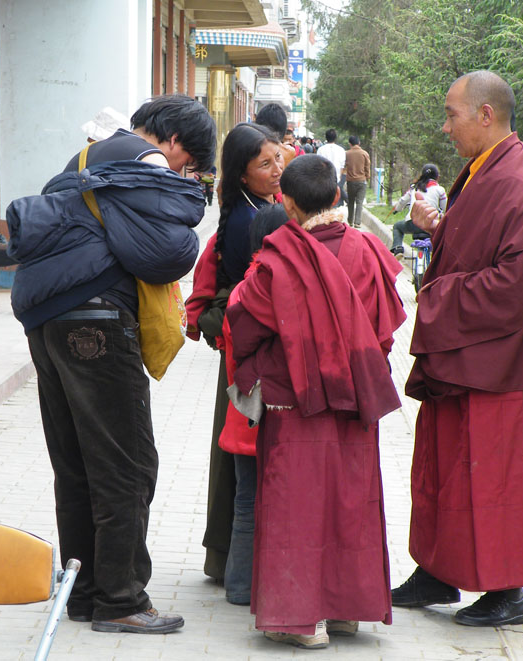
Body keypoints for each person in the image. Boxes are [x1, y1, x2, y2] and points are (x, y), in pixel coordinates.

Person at [6, 94, 216, 634]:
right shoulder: (144, 162)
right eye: (187, 164)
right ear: (172, 142)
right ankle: (121, 599)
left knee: (76, 461)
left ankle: (82, 591)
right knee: (128, 464)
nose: (183, 174)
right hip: (97, 318)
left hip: (47, 319)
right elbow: (170, 248)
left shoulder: (86, 156)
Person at [390, 71, 523, 627]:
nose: (446, 127)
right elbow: (482, 245)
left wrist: (441, 299)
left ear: (486, 115)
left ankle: (507, 591)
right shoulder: (483, 172)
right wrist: (436, 230)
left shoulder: (518, 179)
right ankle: (439, 572)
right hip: (468, 360)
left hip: (504, 367)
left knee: (498, 478)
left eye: (452, 115)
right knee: (444, 470)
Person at [227, 154, 406, 649]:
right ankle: (347, 611)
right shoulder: (368, 251)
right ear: (335, 197)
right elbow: (387, 327)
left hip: (295, 400)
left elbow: (245, 324)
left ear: (286, 204)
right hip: (353, 399)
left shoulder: (276, 258)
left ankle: (302, 621)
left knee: (295, 505)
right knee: (351, 498)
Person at [185, 122, 284, 587]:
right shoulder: (251, 221)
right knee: (242, 453)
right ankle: (237, 566)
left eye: (278, 159)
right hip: (249, 349)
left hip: (239, 347)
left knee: (234, 451)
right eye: (265, 164)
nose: (277, 170)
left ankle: (228, 559)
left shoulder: (253, 207)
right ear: (242, 175)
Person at [217, 204, 290, 607]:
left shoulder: (244, 284)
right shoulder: (270, 285)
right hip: (268, 416)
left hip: (242, 413)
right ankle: (257, 585)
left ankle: (239, 586)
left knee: (246, 502)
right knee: (268, 502)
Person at [389, 164, 447, 255]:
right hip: (430, 224)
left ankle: (398, 248)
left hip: (413, 223)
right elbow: (445, 208)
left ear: (422, 175)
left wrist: (397, 209)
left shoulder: (414, 187)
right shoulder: (440, 190)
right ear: (437, 177)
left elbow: (402, 201)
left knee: (397, 226)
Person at [343, 135, 371, 228]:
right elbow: (367, 167)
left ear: (350, 144)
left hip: (350, 181)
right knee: (359, 202)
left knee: (350, 201)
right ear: (359, 143)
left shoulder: (347, 154)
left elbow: (344, 166)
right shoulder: (364, 153)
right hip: (361, 181)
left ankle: (350, 220)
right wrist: (367, 176)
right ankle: (357, 222)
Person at [316, 129, 346, 207]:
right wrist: (340, 176)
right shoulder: (341, 150)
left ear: (326, 137)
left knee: (325, 201)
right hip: (336, 179)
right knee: (335, 200)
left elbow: (318, 164)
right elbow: (342, 166)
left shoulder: (321, 149)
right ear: (335, 138)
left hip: (324, 178)